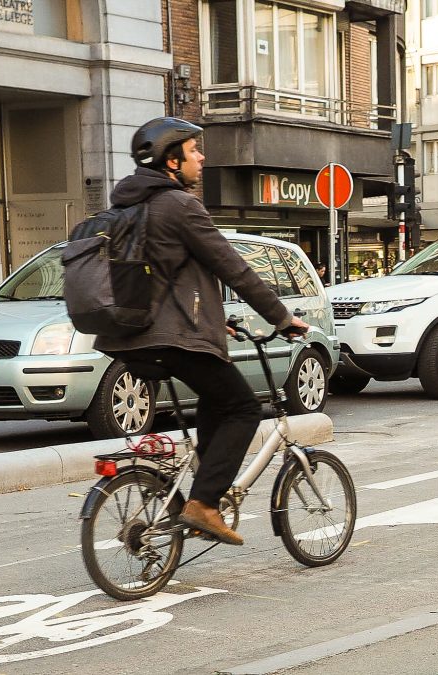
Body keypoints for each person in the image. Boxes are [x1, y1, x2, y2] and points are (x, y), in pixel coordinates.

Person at [94, 117, 309, 546]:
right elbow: (233, 267)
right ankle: (204, 504)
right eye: (194, 150)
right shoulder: (179, 205)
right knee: (245, 409)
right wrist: (282, 318)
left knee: (218, 402)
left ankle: (198, 495)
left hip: (129, 339)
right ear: (171, 160)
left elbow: (169, 280)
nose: (202, 157)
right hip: (171, 339)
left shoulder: (125, 207)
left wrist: (218, 320)